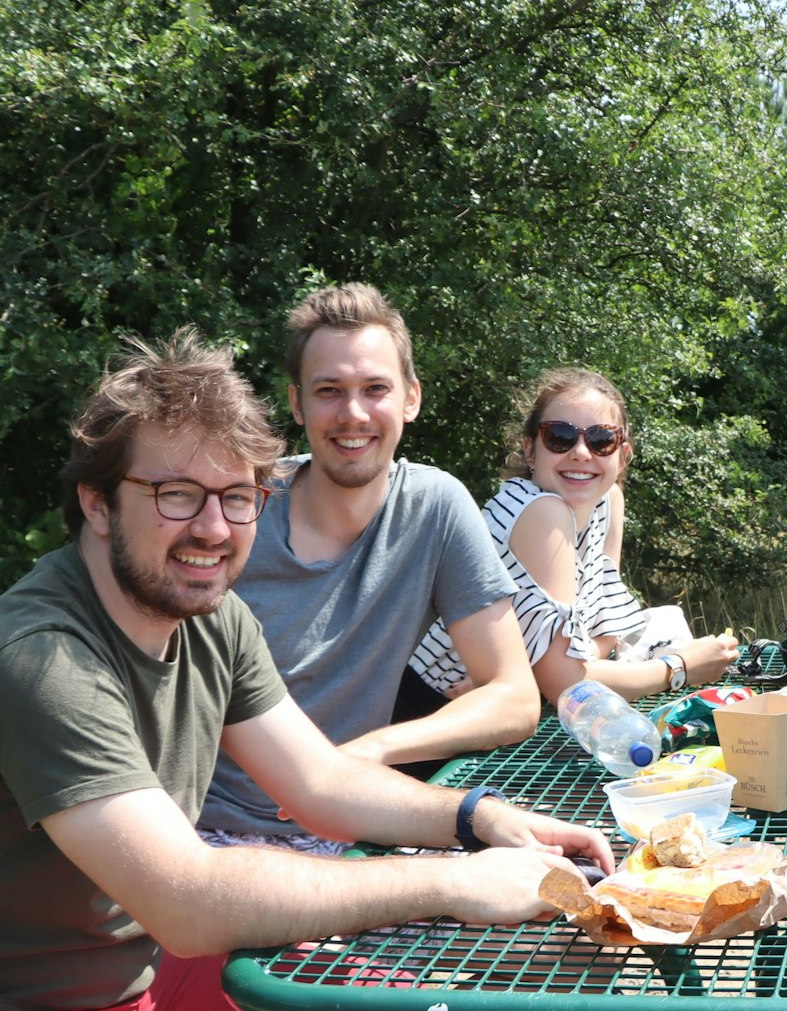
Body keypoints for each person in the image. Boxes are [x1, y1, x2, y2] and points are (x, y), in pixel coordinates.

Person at [0, 331, 612, 1011]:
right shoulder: (43, 660)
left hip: (129, 977)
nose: (214, 528)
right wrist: (449, 883)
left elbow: (321, 783)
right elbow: (190, 900)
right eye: (176, 493)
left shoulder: (212, 618)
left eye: (238, 496)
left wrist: (478, 819)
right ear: (97, 502)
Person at [199, 284, 541, 843]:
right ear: (297, 404)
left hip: (345, 823)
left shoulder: (434, 507)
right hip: (209, 828)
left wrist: (377, 748)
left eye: (375, 389)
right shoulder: (236, 509)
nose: (353, 414)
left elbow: (515, 696)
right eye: (329, 391)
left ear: (411, 398)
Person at [400, 368, 739, 722]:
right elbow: (567, 685)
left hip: (498, 709)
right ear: (530, 450)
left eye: (601, 440)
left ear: (622, 454)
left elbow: (604, 630)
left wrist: (540, 673)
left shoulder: (608, 500)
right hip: (433, 713)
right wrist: (679, 666)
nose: (580, 452)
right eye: (559, 437)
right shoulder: (539, 512)